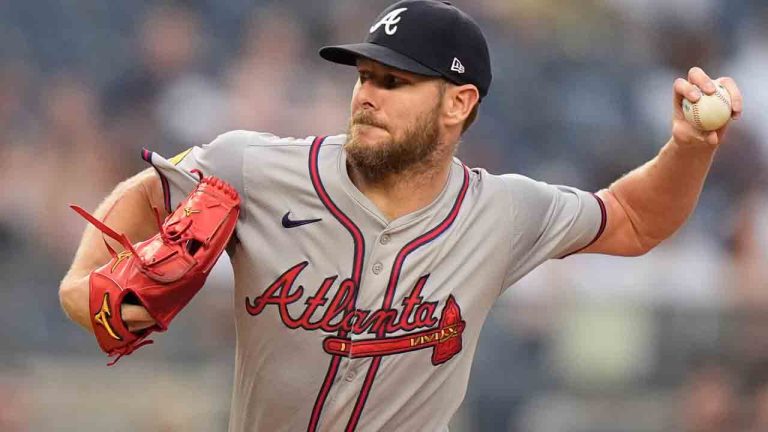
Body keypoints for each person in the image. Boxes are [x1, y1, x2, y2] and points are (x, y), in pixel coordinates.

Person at [58, 1, 743, 431]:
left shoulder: (502, 211)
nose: (367, 95)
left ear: (458, 103)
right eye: (363, 75)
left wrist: (686, 150)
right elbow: (153, 189)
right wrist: (81, 282)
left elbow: (631, 220)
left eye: (394, 81)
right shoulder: (253, 166)